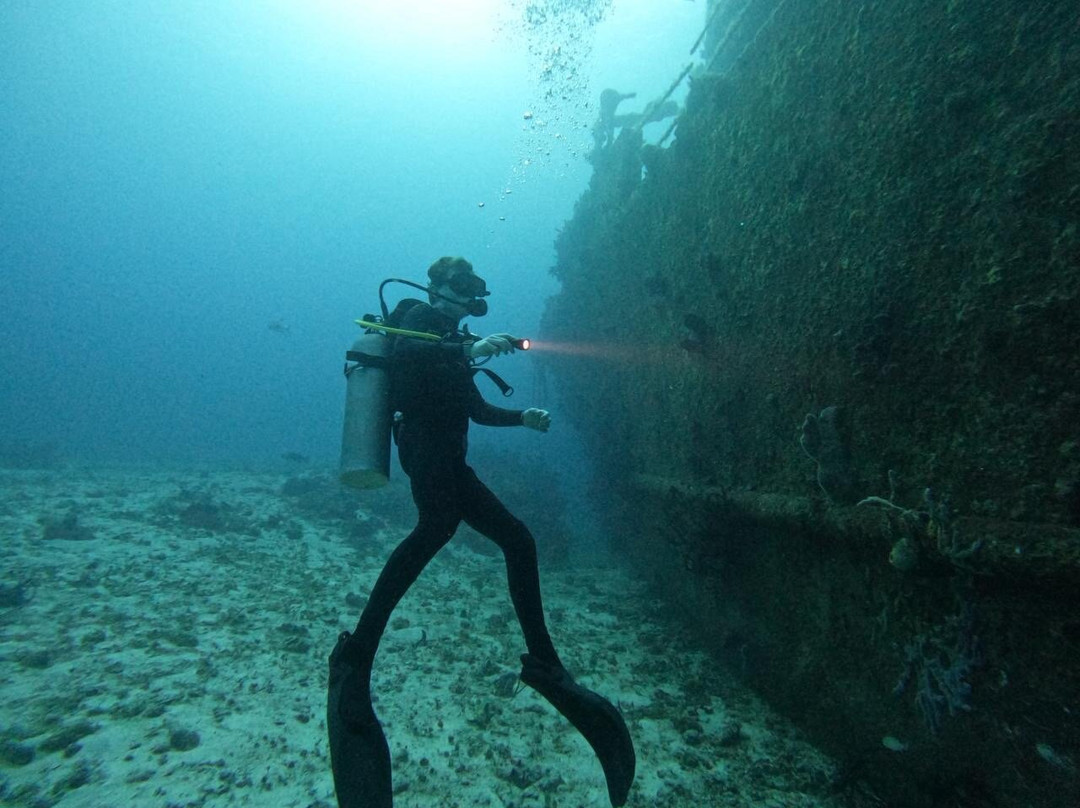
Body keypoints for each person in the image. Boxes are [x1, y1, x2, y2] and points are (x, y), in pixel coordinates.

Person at [327, 257, 636, 808]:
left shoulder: (454, 340)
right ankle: (357, 655)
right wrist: (467, 350)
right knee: (437, 528)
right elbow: (411, 354)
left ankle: (545, 665)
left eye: (471, 288)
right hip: (426, 451)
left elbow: (476, 409)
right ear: (438, 285)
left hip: (453, 462)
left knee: (516, 539)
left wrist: (523, 419)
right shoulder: (414, 316)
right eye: (457, 285)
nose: (462, 295)